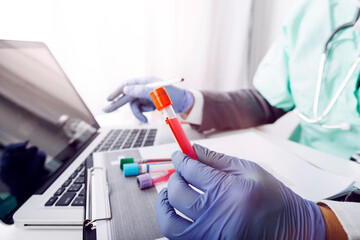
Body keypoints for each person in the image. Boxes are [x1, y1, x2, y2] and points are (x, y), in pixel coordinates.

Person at [104, 0, 360, 238]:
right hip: (303, 172)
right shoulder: (316, 9)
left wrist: (318, 225)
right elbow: (268, 100)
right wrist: (188, 102)